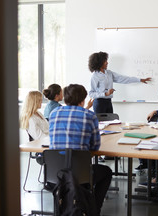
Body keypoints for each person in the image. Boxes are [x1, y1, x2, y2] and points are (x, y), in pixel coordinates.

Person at [49, 84, 112, 216]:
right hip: (80, 174)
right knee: (106, 172)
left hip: (56, 174)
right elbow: (95, 146)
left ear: (65, 99)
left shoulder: (53, 113)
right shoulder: (89, 115)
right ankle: (94, 210)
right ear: (83, 100)